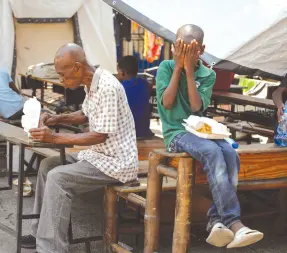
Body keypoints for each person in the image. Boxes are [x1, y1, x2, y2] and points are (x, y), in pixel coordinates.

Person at [21, 43, 138, 253]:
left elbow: (99, 135)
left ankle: (50, 249)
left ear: (77, 67)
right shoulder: (91, 83)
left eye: (62, 75)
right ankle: (39, 231)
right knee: (48, 165)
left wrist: (54, 138)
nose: (61, 81)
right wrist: (55, 118)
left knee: (58, 178)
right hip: (98, 156)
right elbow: (85, 115)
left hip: (116, 163)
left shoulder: (108, 87)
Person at [156, 24, 263, 248]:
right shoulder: (165, 68)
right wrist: (178, 68)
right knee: (212, 151)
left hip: (199, 129)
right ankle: (234, 223)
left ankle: (216, 221)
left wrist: (189, 71)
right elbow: (167, 103)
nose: (185, 54)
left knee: (230, 153)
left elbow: (196, 107)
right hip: (176, 133)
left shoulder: (207, 74)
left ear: (201, 50)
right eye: (181, 48)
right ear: (174, 47)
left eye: (191, 50)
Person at [117, 55, 154, 138]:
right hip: (144, 132)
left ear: (123, 72)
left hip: (127, 135)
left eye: (118, 71)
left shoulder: (120, 88)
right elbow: (150, 86)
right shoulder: (144, 84)